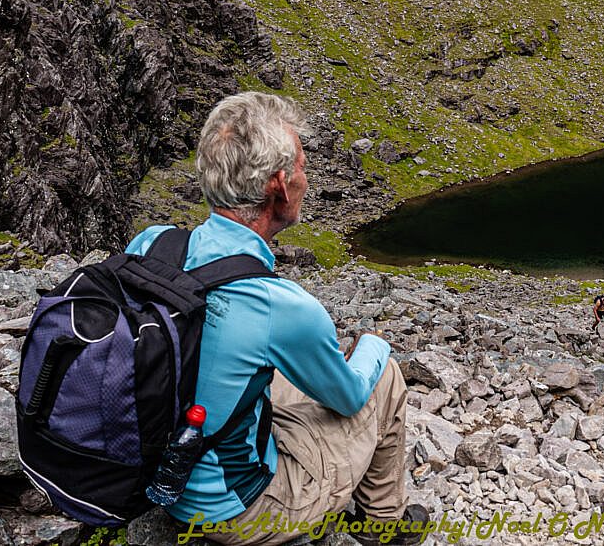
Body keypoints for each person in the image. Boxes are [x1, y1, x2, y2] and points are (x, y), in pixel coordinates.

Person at [126, 92, 426, 545]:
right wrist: (375, 346)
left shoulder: (153, 244)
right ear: (280, 186)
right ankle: (382, 528)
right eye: (303, 167)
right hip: (235, 510)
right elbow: (348, 399)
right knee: (380, 378)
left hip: (152, 468)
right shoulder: (279, 305)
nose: (308, 179)